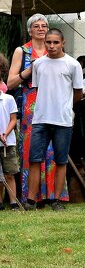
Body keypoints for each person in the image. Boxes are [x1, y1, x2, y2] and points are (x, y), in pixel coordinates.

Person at [24, 28, 84, 210]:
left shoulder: (73, 65)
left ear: (63, 43)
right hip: (40, 119)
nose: (51, 46)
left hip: (63, 120)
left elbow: (78, 93)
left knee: (60, 161)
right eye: (48, 42)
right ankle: (31, 201)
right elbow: (37, 89)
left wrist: (65, 106)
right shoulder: (38, 64)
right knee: (34, 160)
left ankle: (56, 200)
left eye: (55, 42)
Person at [7, 13, 59, 203]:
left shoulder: (53, 48)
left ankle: (51, 195)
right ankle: (32, 195)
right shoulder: (22, 51)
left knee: (53, 146)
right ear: (30, 30)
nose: (41, 29)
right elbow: (10, 82)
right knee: (31, 147)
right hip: (31, 101)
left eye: (44, 25)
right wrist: (29, 71)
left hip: (52, 99)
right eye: (36, 26)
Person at [0, 83, 21, 209]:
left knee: (10, 173)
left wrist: (5, 133)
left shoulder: (8, 99)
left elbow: (13, 119)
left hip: (8, 142)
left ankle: (13, 202)